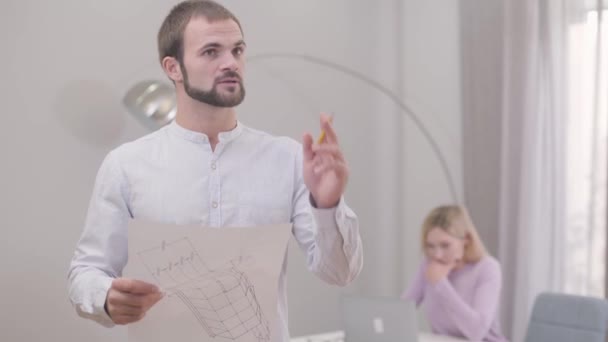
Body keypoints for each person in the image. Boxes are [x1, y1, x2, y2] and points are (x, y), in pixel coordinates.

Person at [67, 1, 363, 341]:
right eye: (211, 52)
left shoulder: (288, 159)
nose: (230, 63)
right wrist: (104, 296)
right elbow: (85, 272)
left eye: (237, 50)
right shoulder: (126, 166)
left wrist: (327, 205)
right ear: (173, 68)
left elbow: (340, 273)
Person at [402, 205, 508, 342]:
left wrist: (440, 284)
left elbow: (476, 332)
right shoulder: (428, 265)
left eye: (445, 245)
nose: (437, 255)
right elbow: (403, 308)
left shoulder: (487, 269)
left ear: (466, 241)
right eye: (430, 246)